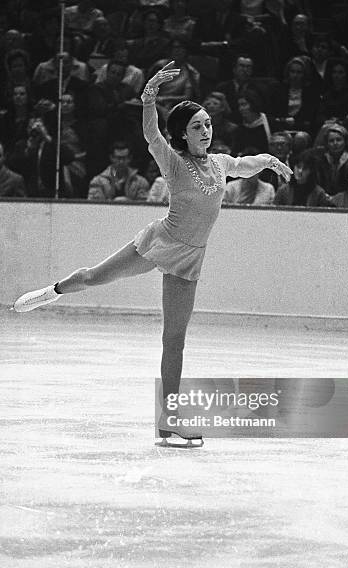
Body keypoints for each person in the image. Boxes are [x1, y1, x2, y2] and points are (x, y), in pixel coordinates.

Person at [13, 61, 292, 447]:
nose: (206, 130)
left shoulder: (219, 163)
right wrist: (148, 99)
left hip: (190, 259)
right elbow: (152, 137)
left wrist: (269, 161)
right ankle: (53, 291)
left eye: (208, 123)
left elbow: (244, 165)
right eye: (197, 126)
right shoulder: (175, 163)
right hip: (160, 242)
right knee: (95, 277)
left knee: (174, 340)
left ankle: (169, 420)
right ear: (183, 133)